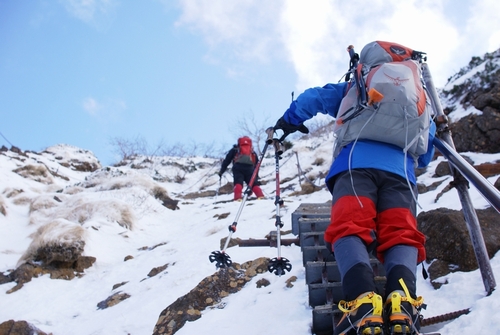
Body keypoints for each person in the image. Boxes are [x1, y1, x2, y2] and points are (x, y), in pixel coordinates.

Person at [273, 41, 436, 335]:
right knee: (401, 233)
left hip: (354, 166)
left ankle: (363, 303)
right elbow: (425, 153)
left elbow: (312, 98)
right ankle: (401, 303)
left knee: (350, 228)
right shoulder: (418, 96)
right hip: (400, 173)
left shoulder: (356, 86)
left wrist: (288, 121)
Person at [218, 136, 265, 201]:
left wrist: (221, 171)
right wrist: (256, 176)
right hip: (250, 168)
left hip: (238, 168)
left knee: (238, 183)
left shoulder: (235, 149)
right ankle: (260, 195)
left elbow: (227, 160)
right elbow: (257, 164)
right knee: (253, 183)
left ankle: (237, 198)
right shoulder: (251, 151)